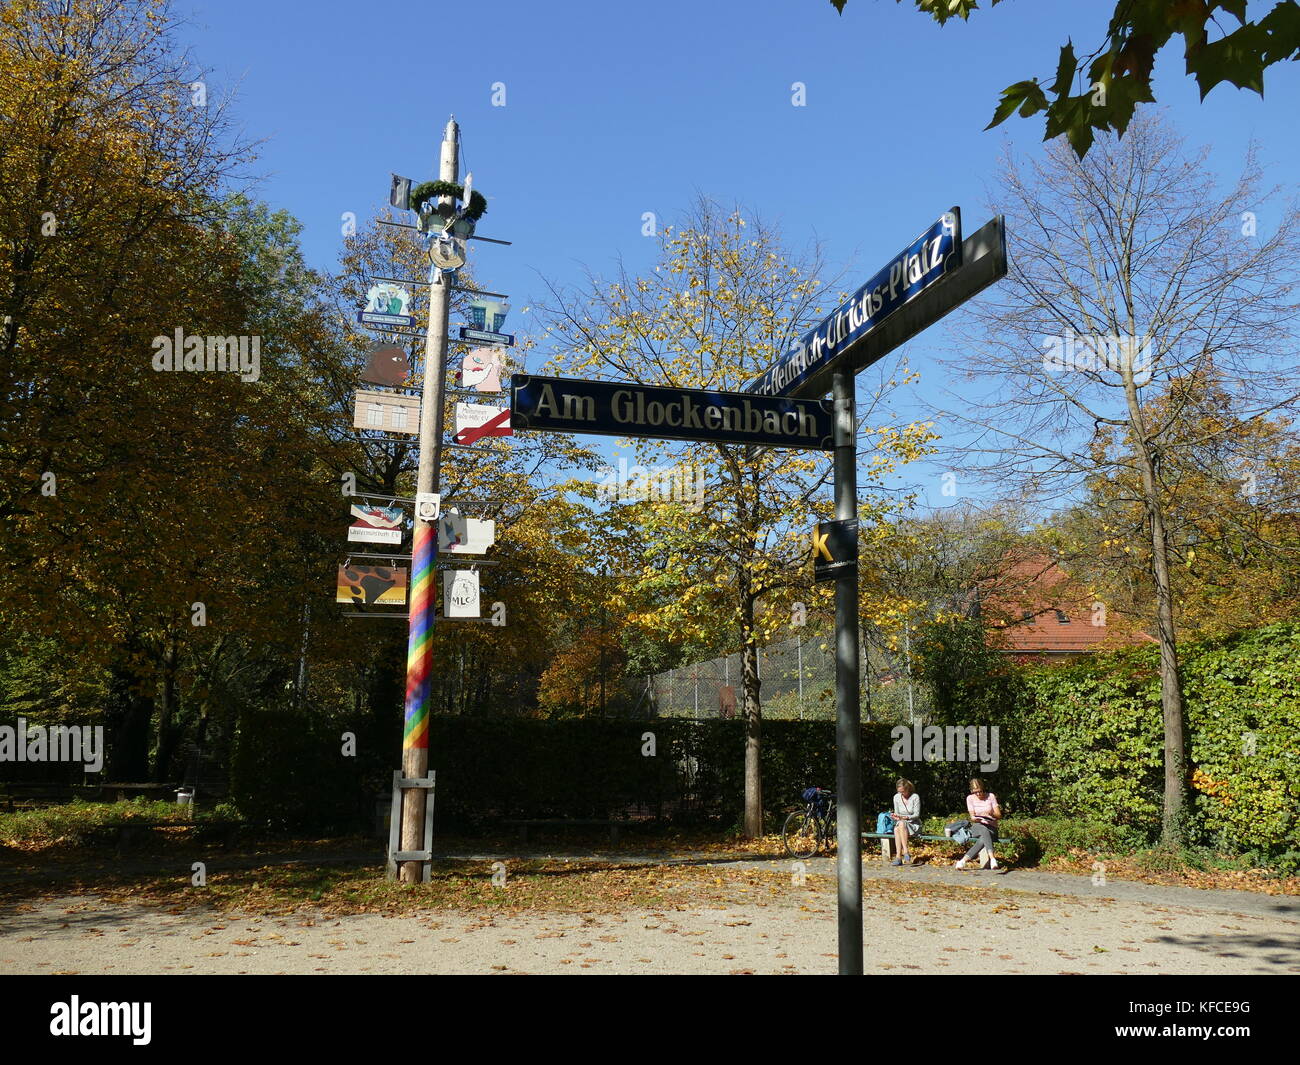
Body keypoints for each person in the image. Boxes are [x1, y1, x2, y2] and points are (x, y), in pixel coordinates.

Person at [955, 778, 1001, 869]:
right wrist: (976, 818)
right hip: (977, 826)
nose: (978, 794)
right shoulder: (970, 798)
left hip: (991, 827)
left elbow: (999, 815)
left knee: (983, 837)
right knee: (983, 829)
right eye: (975, 792)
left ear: (983, 789)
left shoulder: (991, 796)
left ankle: (963, 861)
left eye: (980, 791)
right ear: (972, 791)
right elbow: (972, 817)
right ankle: (992, 858)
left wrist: (991, 814)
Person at [890, 778, 920, 866]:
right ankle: (901, 855)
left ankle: (903, 853)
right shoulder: (896, 797)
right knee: (897, 828)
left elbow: (916, 814)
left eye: (903, 792)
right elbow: (897, 812)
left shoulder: (915, 797)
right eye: (900, 792)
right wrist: (895, 816)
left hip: (913, 823)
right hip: (901, 823)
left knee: (900, 825)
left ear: (908, 789)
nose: (901, 794)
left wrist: (906, 817)